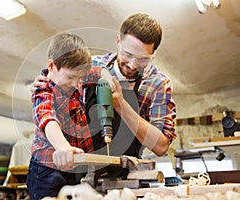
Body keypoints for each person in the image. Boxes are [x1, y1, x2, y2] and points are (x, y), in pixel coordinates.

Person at [32, 13, 177, 179]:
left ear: (153, 54)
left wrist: (120, 103)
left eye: (143, 59)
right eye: (128, 54)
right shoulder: (90, 66)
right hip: (82, 169)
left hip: (126, 173)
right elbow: (52, 95)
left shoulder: (158, 84)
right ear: (118, 41)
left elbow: (160, 147)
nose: (132, 65)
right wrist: (43, 85)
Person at [26, 32, 95, 200]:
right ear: (51, 66)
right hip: (46, 170)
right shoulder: (43, 90)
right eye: (71, 77)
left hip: (71, 164)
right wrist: (63, 147)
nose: (76, 83)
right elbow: (48, 119)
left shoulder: (72, 82)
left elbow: (96, 70)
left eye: (79, 78)